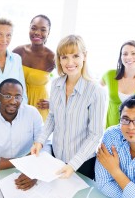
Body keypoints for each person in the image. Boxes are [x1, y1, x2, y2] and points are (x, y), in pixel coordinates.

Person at [31, 35, 106, 180]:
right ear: (59, 59)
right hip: (57, 157)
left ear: (84, 56)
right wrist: (39, 141)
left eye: (75, 56)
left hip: (82, 164)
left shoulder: (96, 91)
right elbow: (52, 117)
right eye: (64, 57)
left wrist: (73, 164)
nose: (70, 62)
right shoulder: (56, 84)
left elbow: (95, 134)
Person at [0, 78, 42, 190]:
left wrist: (35, 172)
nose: (13, 101)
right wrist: (21, 162)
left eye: (18, 96)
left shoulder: (32, 113)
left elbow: (45, 144)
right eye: (7, 96)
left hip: (29, 169)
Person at [95, 93, 135, 198]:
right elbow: (103, 183)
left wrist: (115, 171)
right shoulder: (112, 135)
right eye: (125, 119)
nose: (130, 127)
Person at [13, 14, 55, 121]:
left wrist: (54, 102)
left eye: (43, 29)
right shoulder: (19, 51)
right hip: (17, 105)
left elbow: (68, 82)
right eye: (34, 28)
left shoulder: (52, 57)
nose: (37, 32)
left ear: (48, 33)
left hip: (39, 107)